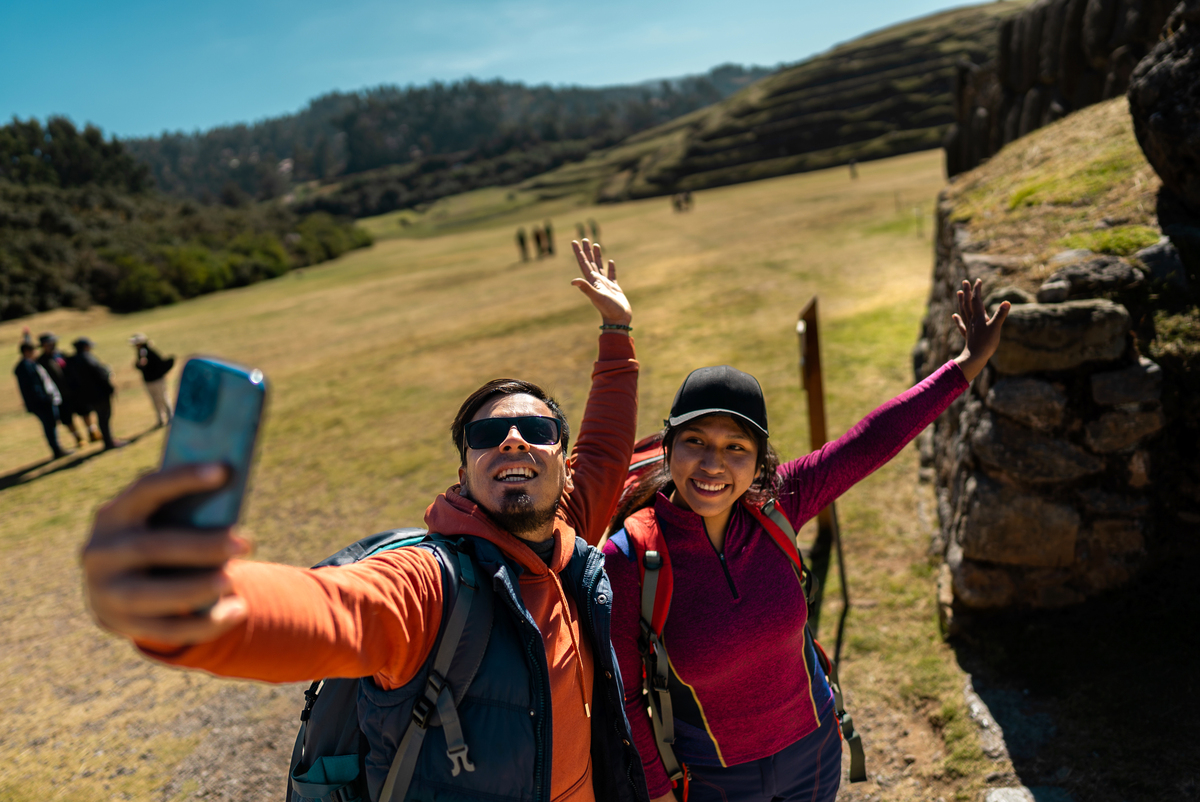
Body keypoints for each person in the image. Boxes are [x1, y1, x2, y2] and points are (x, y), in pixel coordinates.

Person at [81, 240, 651, 802]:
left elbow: (604, 448)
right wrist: (191, 607)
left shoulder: (567, 529)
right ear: (464, 471)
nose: (512, 439)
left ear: (560, 462)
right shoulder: (434, 585)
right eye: (486, 435)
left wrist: (616, 331)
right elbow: (340, 611)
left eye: (538, 432)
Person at [603, 280, 1010, 802]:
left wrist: (966, 365)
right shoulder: (631, 556)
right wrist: (658, 792)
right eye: (696, 443)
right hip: (710, 781)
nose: (713, 466)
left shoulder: (777, 505)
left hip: (814, 752)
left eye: (736, 448)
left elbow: (871, 440)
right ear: (668, 446)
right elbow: (624, 693)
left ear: (759, 459)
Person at [13, 341, 69, 459]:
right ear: (27, 352)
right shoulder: (25, 367)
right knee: (49, 426)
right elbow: (33, 387)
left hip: (44, 401)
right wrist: (44, 398)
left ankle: (58, 448)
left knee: (52, 424)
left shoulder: (31, 363)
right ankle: (57, 450)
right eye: (34, 350)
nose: (36, 352)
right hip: (41, 403)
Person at [67, 337, 125, 450]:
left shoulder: (73, 361)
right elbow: (100, 374)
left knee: (101, 418)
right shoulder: (87, 358)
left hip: (88, 396)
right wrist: (110, 386)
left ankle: (108, 440)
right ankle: (109, 441)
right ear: (85, 347)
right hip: (99, 394)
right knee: (104, 418)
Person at [37, 332, 88, 448]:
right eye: (49, 343)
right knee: (67, 418)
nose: (52, 345)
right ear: (43, 345)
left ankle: (92, 431)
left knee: (84, 411)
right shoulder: (41, 361)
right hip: (59, 395)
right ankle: (78, 438)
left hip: (73, 390)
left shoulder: (60, 355)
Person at [129, 333, 174, 427]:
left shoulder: (150, 352)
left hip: (157, 380)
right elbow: (140, 366)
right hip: (148, 381)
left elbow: (160, 364)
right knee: (155, 400)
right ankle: (160, 419)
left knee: (163, 398)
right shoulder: (140, 353)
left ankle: (171, 417)